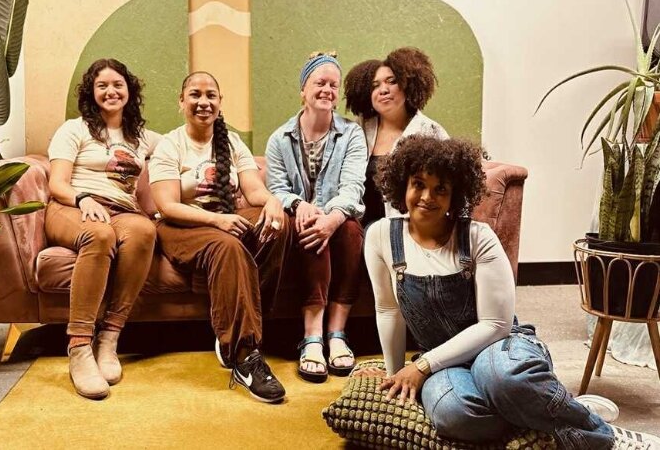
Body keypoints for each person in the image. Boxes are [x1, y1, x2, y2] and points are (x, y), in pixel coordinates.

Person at [359, 134, 660, 449]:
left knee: (503, 379)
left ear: (455, 195)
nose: (427, 197)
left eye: (441, 189)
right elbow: (388, 310)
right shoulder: (381, 236)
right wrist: (396, 373)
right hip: (442, 360)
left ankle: (603, 436)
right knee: (454, 414)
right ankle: (550, 405)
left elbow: (495, 325)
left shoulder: (477, 237)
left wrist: (422, 366)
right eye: (418, 184)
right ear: (403, 185)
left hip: (498, 346)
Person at [149, 71, 290, 403]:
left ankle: (237, 328)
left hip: (225, 220)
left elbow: (253, 190)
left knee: (275, 226)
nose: (203, 102)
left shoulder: (232, 142)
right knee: (229, 246)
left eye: (210, 95)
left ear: (220, 102)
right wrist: (217, 220)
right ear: (181, 101)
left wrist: (273, 202)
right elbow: (167, 205)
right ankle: (244, 356)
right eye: (195, 94)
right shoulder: (170, 144)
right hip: (181, 226)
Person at [46, 58, 158, 400]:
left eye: (117, 84)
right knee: (100, 234)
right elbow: (57, 184)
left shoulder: (141, 137)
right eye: (102, 85)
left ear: (129, 90)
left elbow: (185, 144)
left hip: (121, 211)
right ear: (91, 93)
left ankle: (109, 338)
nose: (111, 91)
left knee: (144, 231)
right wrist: (82, 199)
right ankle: (80, 347)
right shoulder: (74, 129)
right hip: (72, 206)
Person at [265, 52, 368, 383]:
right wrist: (298, 204)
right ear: (303, 90)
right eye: (319, 83)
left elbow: (353, 187)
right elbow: (276, 188)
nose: (327, 90)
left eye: (333, 85)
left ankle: (336, 334)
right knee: (309, 227)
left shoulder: (352, 134)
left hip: (339, 217)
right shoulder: (279, 139)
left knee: (350, 230)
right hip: (300, 226)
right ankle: (312, 338)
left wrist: (331, 218)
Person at [344, 47, 449, 226]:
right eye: (375, 86)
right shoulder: (357, 128)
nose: (383, 90)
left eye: (391, 82)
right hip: (357, 227)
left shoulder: (430, 131)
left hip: (408, 229)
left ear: (407, 85)